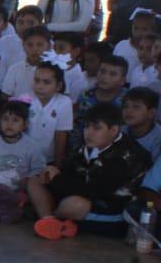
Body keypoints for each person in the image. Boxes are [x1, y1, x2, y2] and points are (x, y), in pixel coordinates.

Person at [28, 102, 151, 239]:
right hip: (81, 193)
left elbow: (95, 191)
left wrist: (57, 179)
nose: (89, 133)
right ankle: (51, 222)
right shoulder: (87, 142)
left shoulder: (127, 156)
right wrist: (52, 173)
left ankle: (52, 220)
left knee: (75, 204)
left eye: (97, 128)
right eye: (87, 127)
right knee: (35, 181)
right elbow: (70, 171)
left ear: (114, 130)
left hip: (111, 209)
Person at [26, 60, 73, 165]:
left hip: (49, 160)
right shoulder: (26, 99)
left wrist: (57, 166)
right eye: (36, 80)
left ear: (58, 86)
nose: (40, 86)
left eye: (46, 82)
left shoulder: (64, 103)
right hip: (24, 158)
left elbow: (60, 136)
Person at [122, 87, 161, 160]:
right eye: (126, 106)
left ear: (151, 113)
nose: (128, 110)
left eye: (136, 107)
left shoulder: (158, 140)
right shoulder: (119, 132)